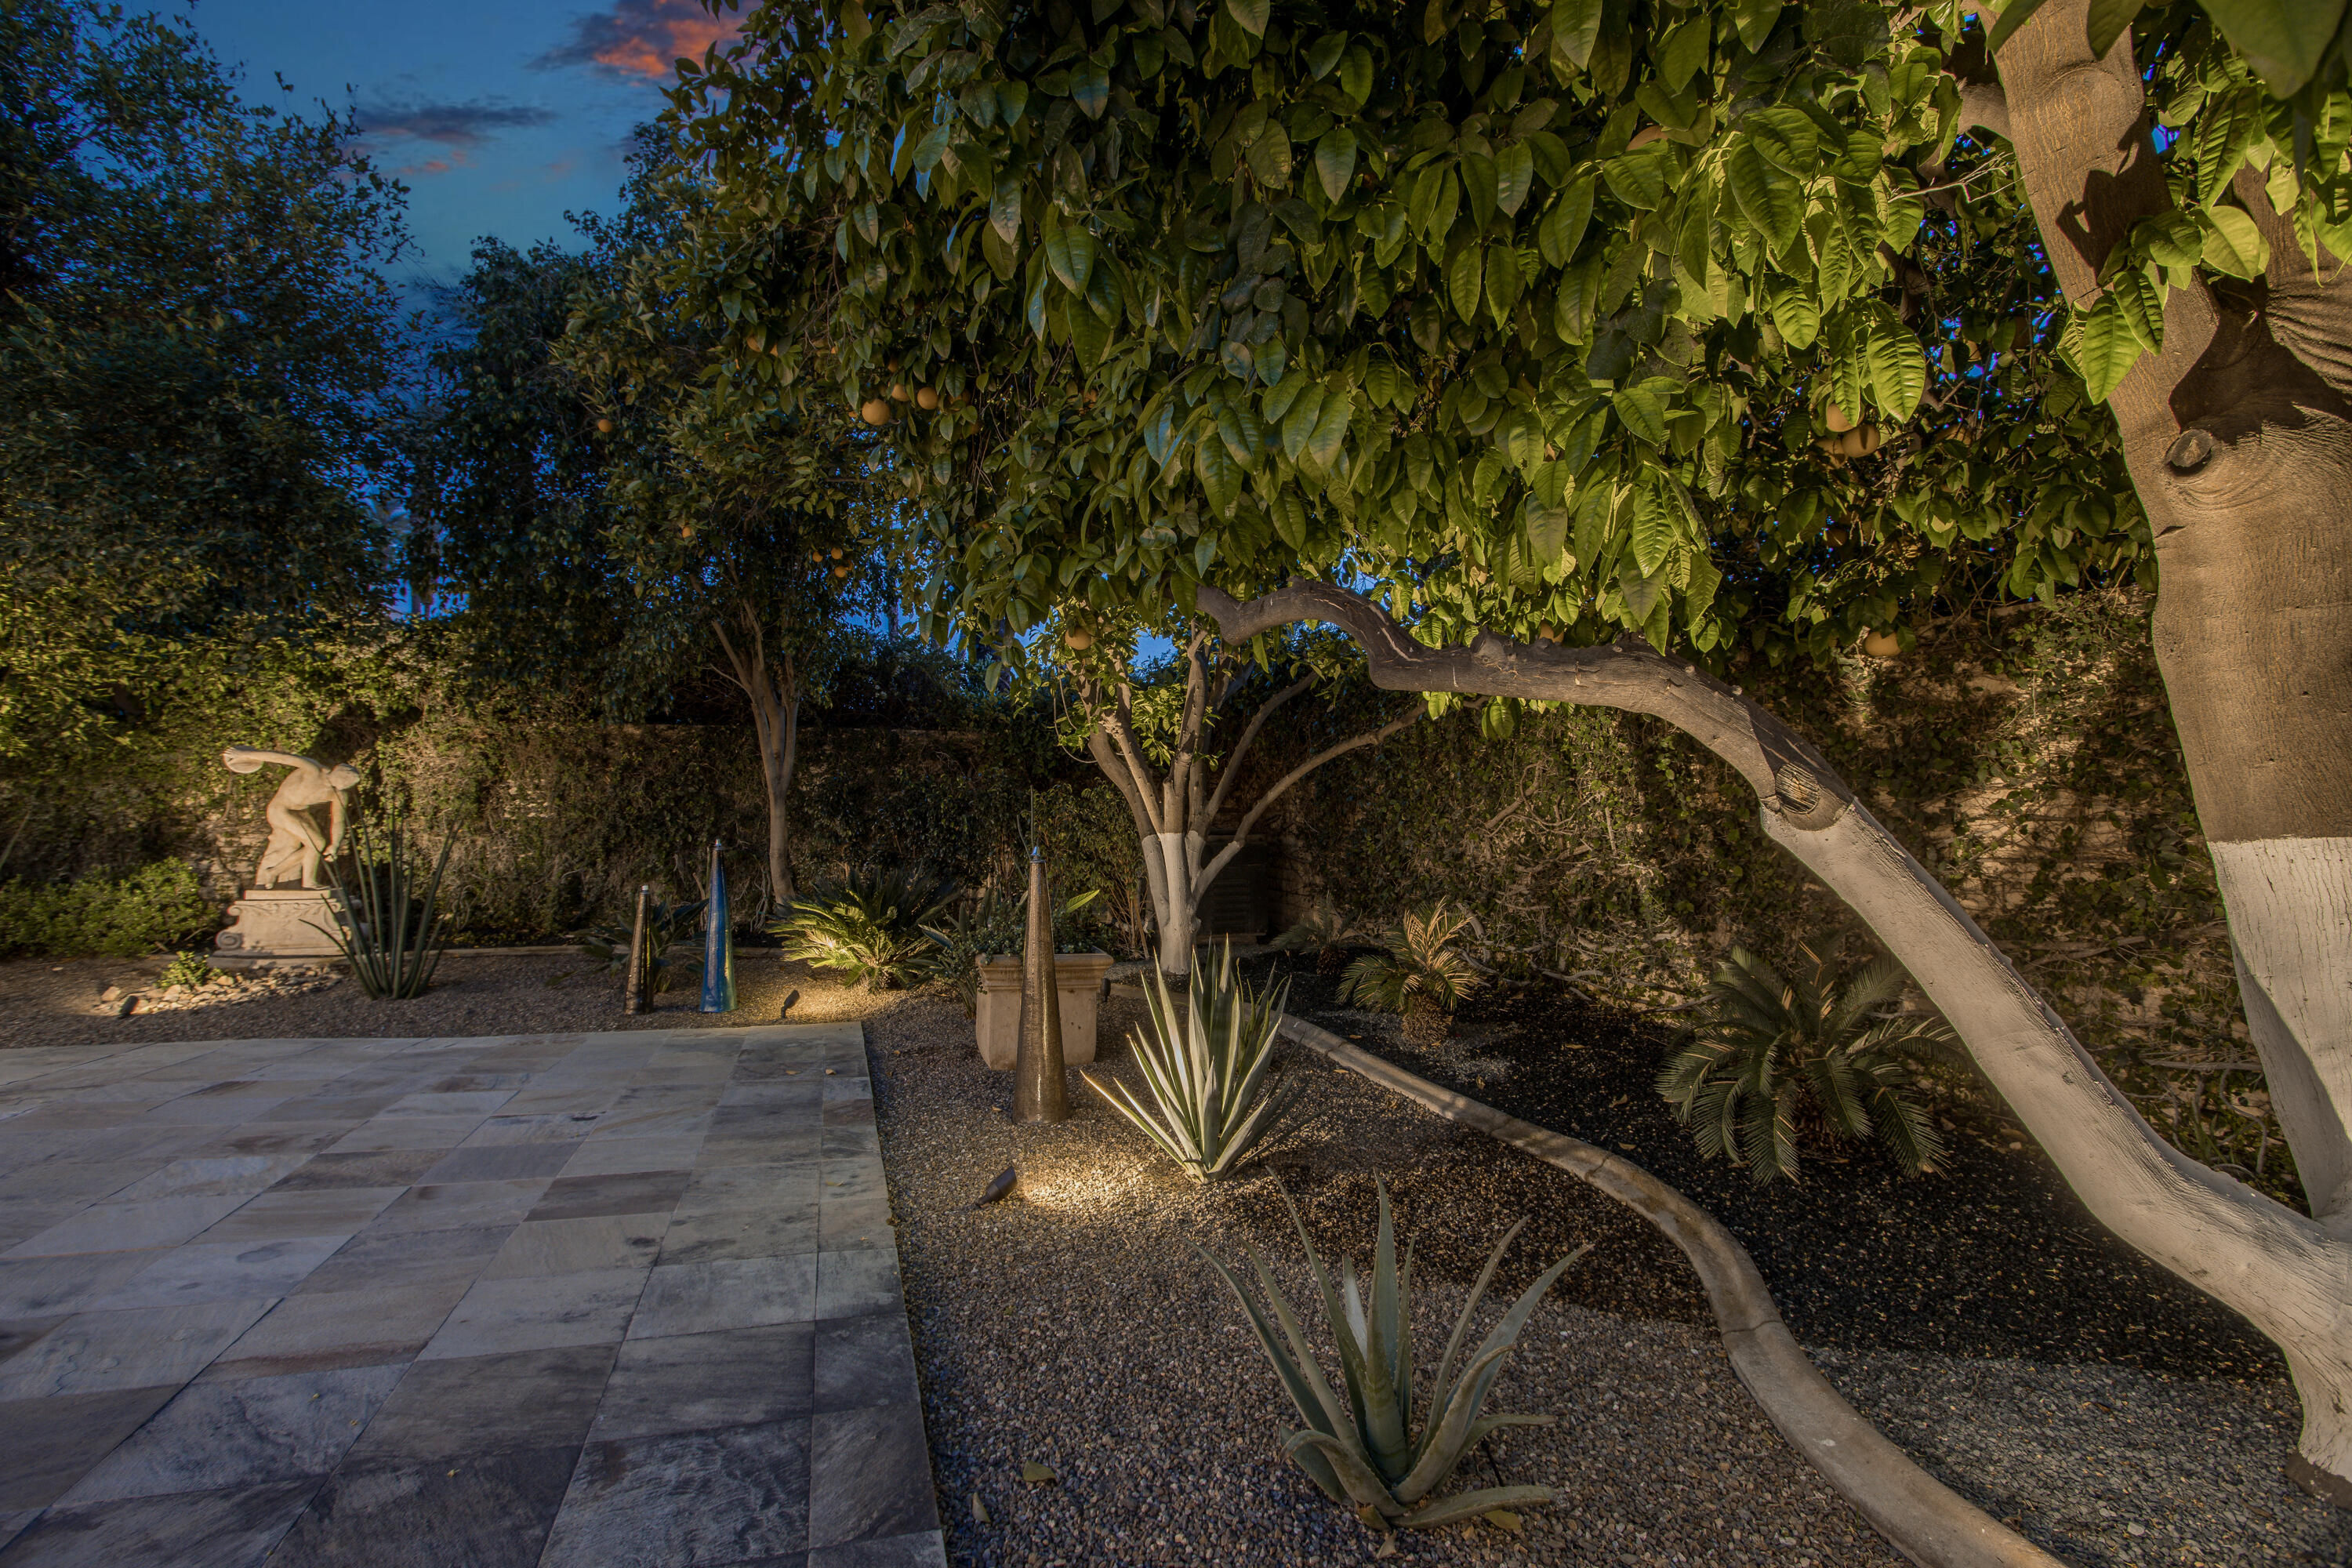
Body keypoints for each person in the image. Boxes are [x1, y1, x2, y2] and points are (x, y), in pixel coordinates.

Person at [221, 746, 361, 889]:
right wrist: (245, 754)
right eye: (344, 780)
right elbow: (281, 758)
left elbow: (338, 821)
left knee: (318, 845)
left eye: (347, 784)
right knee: (317, 842)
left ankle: (278, 873)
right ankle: (302, 881)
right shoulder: (313, 770)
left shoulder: (338, 794)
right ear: (336, 772)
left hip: (299, 812)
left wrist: (335, 844)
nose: (343, 785)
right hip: (280, 809)